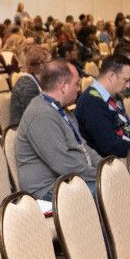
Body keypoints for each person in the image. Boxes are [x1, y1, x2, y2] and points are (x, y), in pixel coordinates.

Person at [14, 59, 102, 203]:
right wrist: (101, 174)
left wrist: (105, 166)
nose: (79, 89)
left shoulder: (62, 110)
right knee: (107, 190)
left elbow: (84, 147)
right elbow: (63, 164)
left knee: (114, 182)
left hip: (68, 181)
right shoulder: (41, 114)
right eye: (76, 84)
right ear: (63, 87)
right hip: (46, 191)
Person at [77, 55, 130, 159]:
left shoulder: (113, 96)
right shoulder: (91, 101)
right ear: (111, 76)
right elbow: (109, 145)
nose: (128, 86)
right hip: (116, 164)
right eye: (126, 80)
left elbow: (126, 132)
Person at [6, 43, 49, 126]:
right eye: (49, 62)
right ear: (41, 65)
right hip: (24, 132)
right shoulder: (26, 85)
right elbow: (35, 116)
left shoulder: (40, 80)